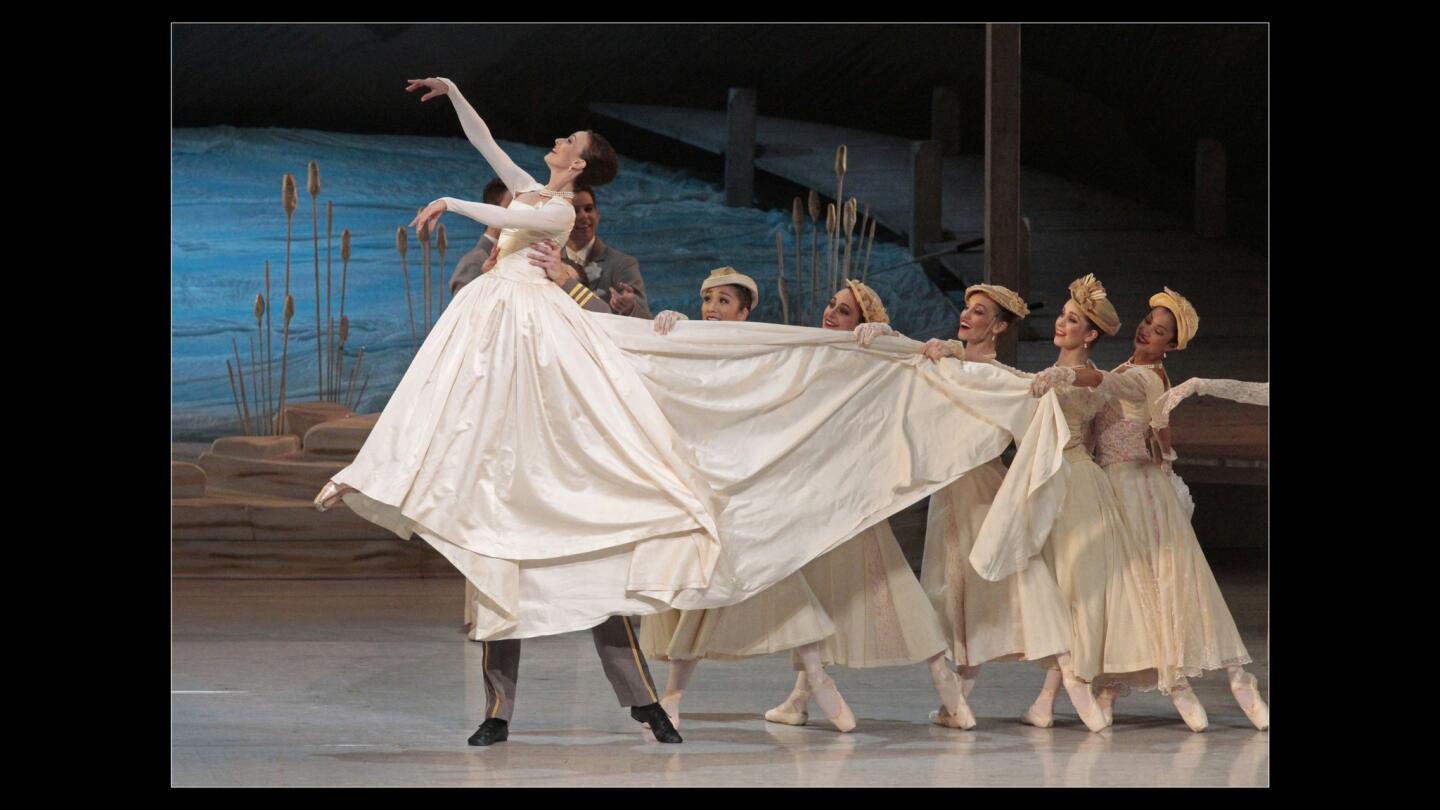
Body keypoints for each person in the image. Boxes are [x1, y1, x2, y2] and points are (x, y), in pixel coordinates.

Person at [314, 75, 683, 744]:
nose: (555, 140)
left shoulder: (559, 212)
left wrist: (449, 201)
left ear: (580, 161)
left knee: (587, 551)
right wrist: (454, 91)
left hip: (529, 333)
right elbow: (486, 144)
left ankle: (644, 703)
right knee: (452, 413)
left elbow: (507, 219)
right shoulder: (537, 191)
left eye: (567, 140)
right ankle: (495, 710)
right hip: (499, 325)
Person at [640, 268, 859, 734]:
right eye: (708, 300)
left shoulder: (764, 349)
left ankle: (818, 677)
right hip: (707, 486)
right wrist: (666, 328)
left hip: (753, 482)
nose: (712, 309)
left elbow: (821, 361)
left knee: (780, 579)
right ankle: (673, 696)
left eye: (724, 302)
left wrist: (875, 336)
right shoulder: (690, 341)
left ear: (744, 312)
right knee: (703, 588)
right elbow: (656, 373)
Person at [762, 280, 975, 731]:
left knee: (888, 589)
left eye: (843, 312)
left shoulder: (870, 354)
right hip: (821, 493)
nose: (831, 314)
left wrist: (886, 334)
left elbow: (933, 355)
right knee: (817, 597)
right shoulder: (818, 353)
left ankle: (949, 693)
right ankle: (801, 698)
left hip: (850, 496)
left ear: (860, 323)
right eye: (831, 305)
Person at [1088, 288, 1269, 731]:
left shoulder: (1144, 377)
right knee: (1129, 589)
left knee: (1164, 582)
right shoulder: (1131, 367)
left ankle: (1212, 682)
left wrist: (1071, 372)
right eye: (1149, 321)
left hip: (1137, 490)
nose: (1147, 330)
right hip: (1117, 484)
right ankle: (1116, 684)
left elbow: (1117, 391)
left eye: (1160, 331)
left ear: (1171, 346)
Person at [912, 285, 1076, 729]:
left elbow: (1033, 427)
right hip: (948, 491)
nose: (967, 315)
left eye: (980, 312)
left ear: (999, 326)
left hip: (980, 489)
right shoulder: (947, 363)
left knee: (1005, 583)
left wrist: (1050, 384)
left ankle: (1065, 684)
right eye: (967, 308)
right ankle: (957, 704)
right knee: (960, 594)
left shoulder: (1002, 378)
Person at [1019, 274, 1175, 732]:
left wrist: (1065, 374)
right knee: (1055, 590)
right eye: (1063, 316)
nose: (1062, 324)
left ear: (1089, 334)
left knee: (1071, 589)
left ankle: (1075, 688)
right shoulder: (1056, 370)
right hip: (1056, 477)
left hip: (1072, 481)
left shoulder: (1091, 377)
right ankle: (1048, 699)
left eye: (1073, 320)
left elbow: (1091, 381)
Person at [561, 186, 650, 318]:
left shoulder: (622, 264)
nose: (584, 216)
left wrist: (629, 307)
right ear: (560, 220)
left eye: (588, 209)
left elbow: (645, 318)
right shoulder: (548, 262)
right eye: (575, 210)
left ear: (598, 215)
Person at [448, 178, 513, 295]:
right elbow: (463, 310)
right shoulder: (475, 261)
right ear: (492, 210)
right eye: (513, 208)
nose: (522, 217)